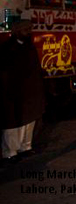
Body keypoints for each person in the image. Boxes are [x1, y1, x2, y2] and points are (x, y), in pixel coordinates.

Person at [0, 19, 45, 163]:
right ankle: (10, 152)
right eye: (26, 30)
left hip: (30, 92)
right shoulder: (8, 49)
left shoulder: (29, 46)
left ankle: (25, 147)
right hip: (14, 92)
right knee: (13, 124)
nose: (29, 32)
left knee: (29, 120)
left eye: (30, 29)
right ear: (18, 31)